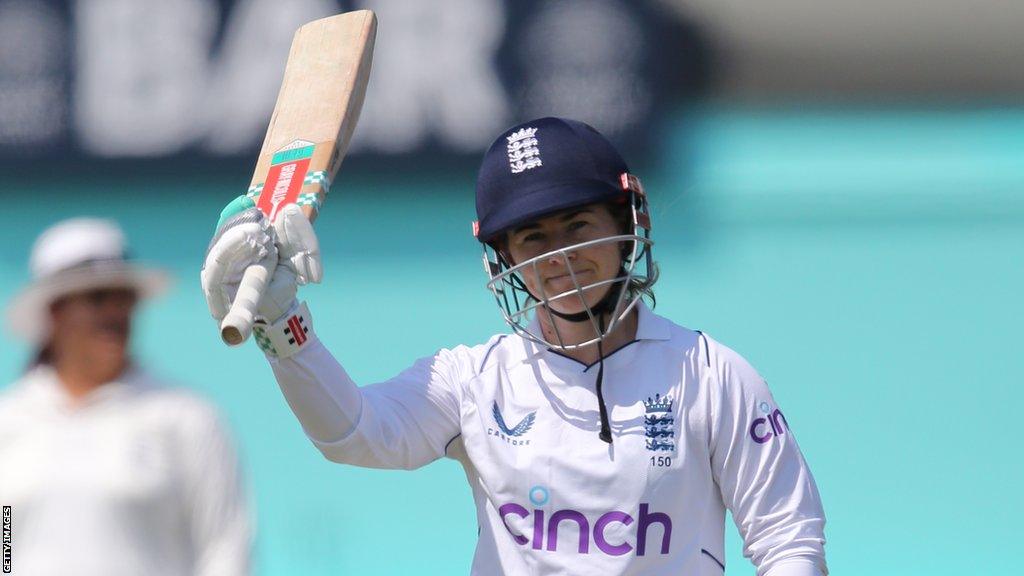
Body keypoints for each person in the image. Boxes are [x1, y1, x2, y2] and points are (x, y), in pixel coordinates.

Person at [201, 117, 827, 575]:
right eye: (532, 238)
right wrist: (282, 325)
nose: (560, 258)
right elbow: (355, 434)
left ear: (627, 225)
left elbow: (789, 540)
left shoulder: (712, 375)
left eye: (578, 225)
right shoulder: (475, 381)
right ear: (504, 260)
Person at [1, 218, 252, 576]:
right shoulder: (9, 421)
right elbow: (4, 545)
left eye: (124, 297)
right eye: (97, 298)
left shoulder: (185, 417)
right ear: (54, 312)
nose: (115, 314)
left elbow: (225, 551)